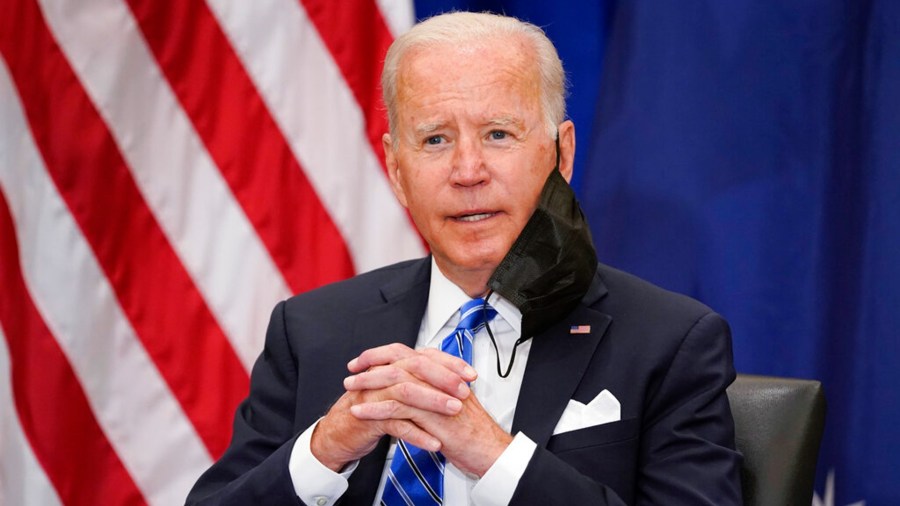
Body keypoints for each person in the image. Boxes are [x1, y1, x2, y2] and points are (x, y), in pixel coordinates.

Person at [186, 11, 742, 506]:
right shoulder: (311, 332)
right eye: (434, 141)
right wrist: (325, 447)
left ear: (561, 154)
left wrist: (492, 455)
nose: (468, 170)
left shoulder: (669, 342)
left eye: (498, 134)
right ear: (397, 171)